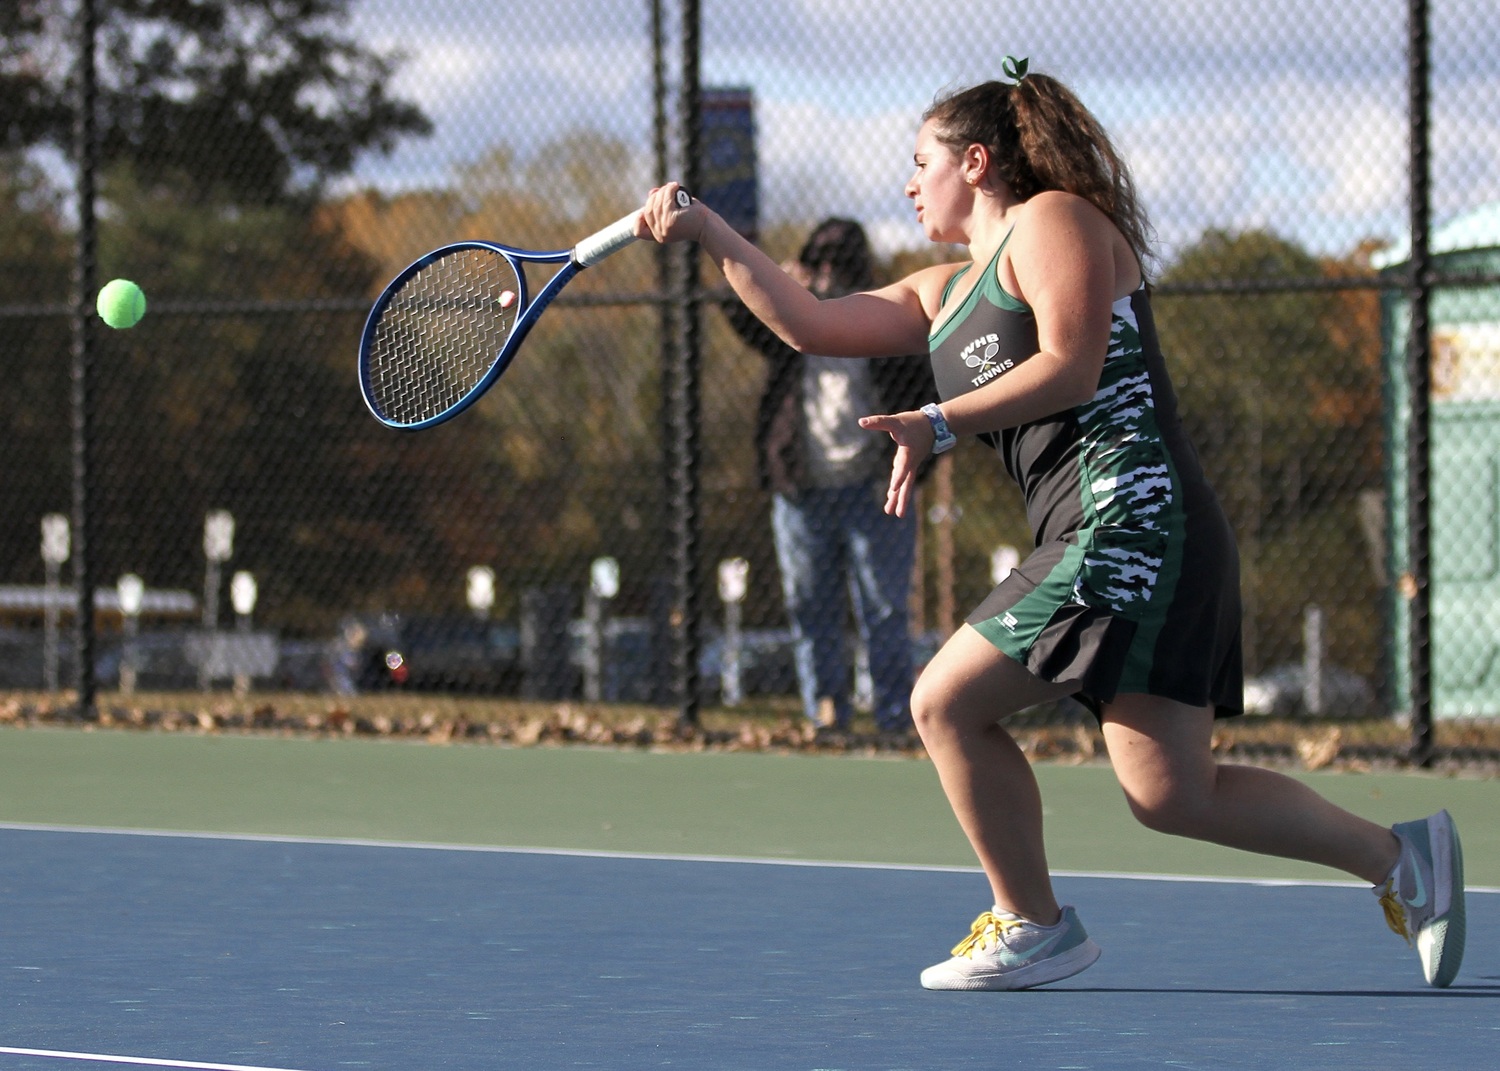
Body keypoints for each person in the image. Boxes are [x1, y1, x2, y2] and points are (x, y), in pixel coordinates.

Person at [635, 64, 1466, 991]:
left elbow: (1073, 366)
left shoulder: (1055, 221)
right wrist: (708, 230)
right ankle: (1403, 859)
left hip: (1133, 516)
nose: (908, 185)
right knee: (1170, 793)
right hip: (1104, 535)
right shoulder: (942, 291)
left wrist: (939, 423)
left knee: (942, 700)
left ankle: (1033, 924)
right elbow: (808, 323)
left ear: (978, 163)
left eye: (922, 162)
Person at [719, 218, 936, 735]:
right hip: (802, 490)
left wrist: (908, 469)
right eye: (820, 266)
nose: (828, 277)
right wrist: (778, 277)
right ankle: (826, 713)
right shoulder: (790, 323)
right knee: (810, 607)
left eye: (839, 267)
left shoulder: (882, 321)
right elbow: (735, 309)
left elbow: (930, 403)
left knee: (883, 609)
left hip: (873, 490)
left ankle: (892, 719)